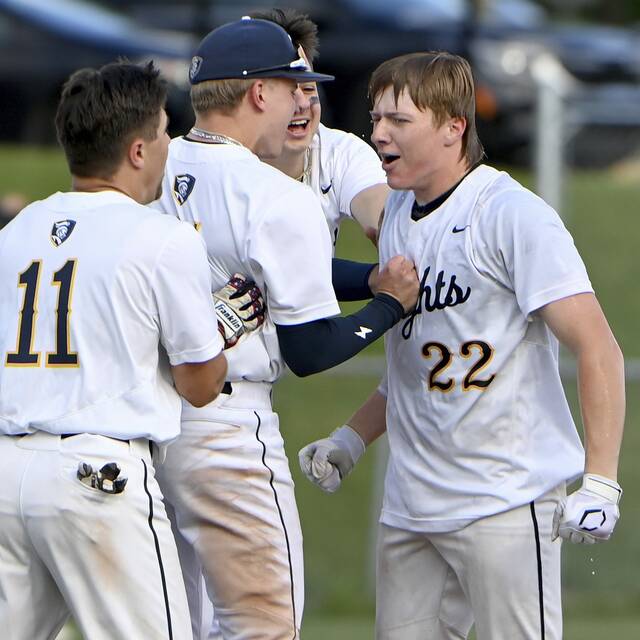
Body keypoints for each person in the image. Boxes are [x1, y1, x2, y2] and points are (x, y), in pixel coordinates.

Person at [299, 52, 625, 640]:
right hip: (412, 507)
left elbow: (598, 347)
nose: (378, 133)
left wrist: (601, 479)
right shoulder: (397, 212)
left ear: (455, 127)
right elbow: (420, 362)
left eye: (399, 119)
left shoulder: (511, 215)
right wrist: (353, 436)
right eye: (376, 118)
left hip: (503, 498)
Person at [155, 17, 419, 640]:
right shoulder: (276, 193)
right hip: (226, 422)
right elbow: (310, 350)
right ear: (257, 94)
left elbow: (269, 266)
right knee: (265, 624)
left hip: (148, 420)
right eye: (291, 84)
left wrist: (371, 281)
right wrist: (387, 307)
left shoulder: (154, 168)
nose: (302, 99)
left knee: (174, 624)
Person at [0, 60, 261, 640]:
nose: (170, 143)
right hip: (98, 475)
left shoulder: (16, 232)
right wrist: (220, 327)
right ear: (138, 151)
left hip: (8, 471)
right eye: (165, 131)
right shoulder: (161, 235)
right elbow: (199, 387)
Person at [251, 7, 389, 249]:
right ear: (255, 96)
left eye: (308, 88)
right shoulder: (222, 160)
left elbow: (379, 210)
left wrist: (394, 231)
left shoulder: (339, 151)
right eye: (288, 92)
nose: (302, 104)